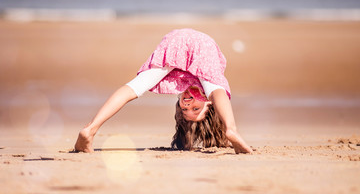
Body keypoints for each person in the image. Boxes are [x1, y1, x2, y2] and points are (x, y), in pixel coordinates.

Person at [74, 28, 252, 154]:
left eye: (184, 109)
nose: (187, 104)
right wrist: (227, 128)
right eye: (196, 109)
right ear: (209, 103)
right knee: (216, 88)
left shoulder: (184, 81)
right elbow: (218, 94)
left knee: (135, 87)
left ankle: (90, 129)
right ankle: (232, 129)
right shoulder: (210, 93)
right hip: (203, 45)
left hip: (173, 41)